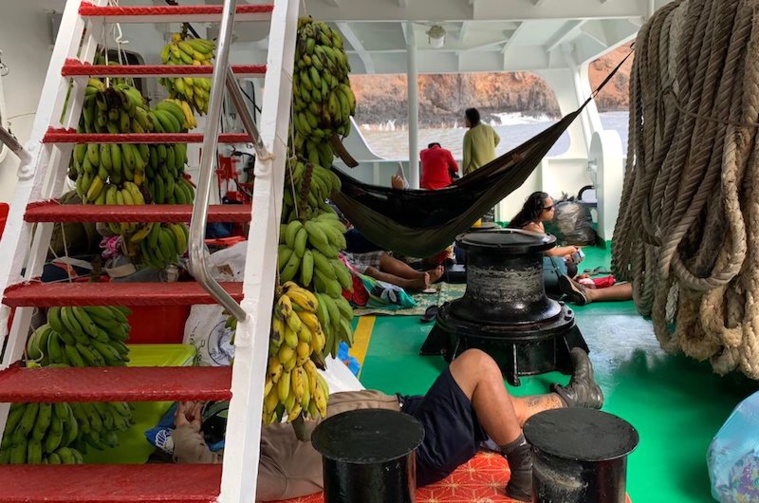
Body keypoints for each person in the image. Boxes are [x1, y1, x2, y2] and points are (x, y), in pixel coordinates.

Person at [173, 347, 604, 502]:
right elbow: (209, 479)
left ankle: (576, 398)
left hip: (400, 414)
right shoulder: (264, 471)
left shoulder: (268, 434)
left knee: (493, 403)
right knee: (476, 365)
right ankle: (522, 466)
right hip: (409, 451)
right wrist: (183, 433)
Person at [342, 250, 444, 291]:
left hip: (345, 254)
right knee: (369, 271)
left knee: (381, 256)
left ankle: (419, 275)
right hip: (337, 262)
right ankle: (409, 284)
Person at [462, 108, 501, 176]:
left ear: (470, 119)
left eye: (465, 118)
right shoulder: (489, 128)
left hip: (477, 173)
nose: (464, 120)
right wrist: (488, 148)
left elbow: (467, 158)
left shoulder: (469, 134)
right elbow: (498, 139)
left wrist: (464, 173)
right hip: (492, 168)